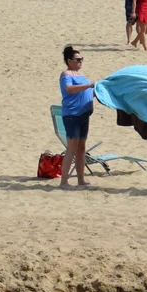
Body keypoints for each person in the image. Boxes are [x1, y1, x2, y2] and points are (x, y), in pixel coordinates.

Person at [59, 45, 97, 188]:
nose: (81, 61)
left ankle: (81, 180)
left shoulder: (81, 75)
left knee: (81, 148)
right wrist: (88, 86)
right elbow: (69, 88)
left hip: (84, 114)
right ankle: (64, 181)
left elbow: (85, 92)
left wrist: (95, 92)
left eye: (82, 59)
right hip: (72, 115)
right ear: (69, 61)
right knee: (72, 149)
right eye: (78, 59)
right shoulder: (66, 74)